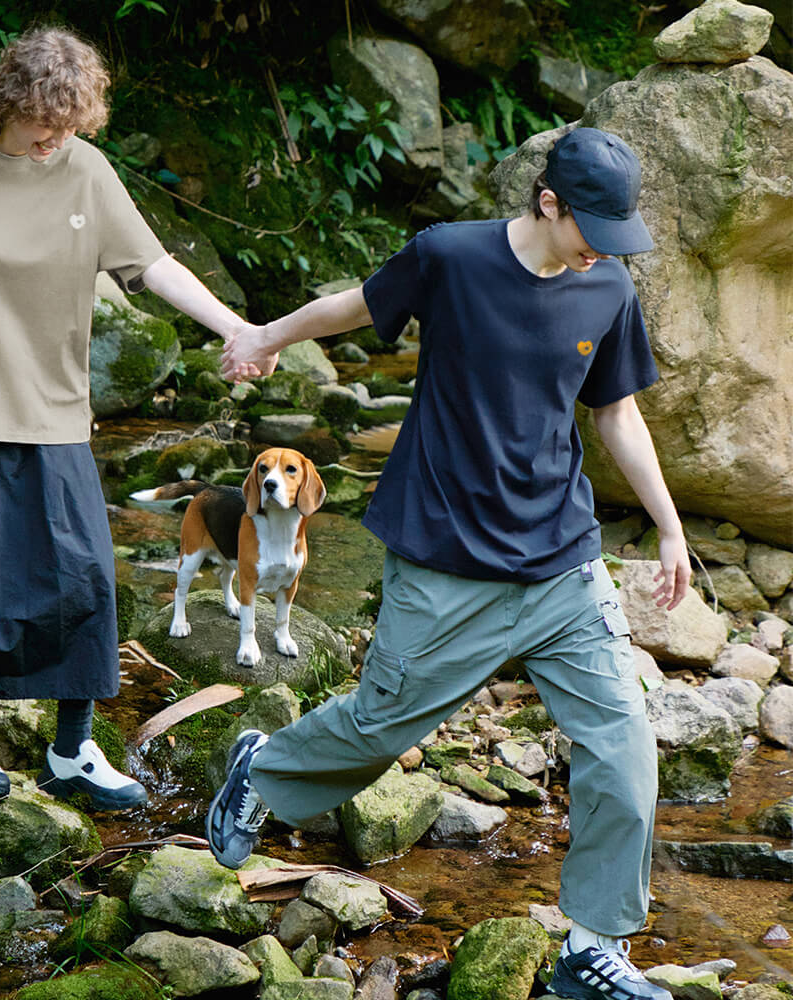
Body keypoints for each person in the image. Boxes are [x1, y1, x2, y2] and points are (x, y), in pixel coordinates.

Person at [208, 128, 690, 1000]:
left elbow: (614, 412)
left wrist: (669, 528)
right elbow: (351, 306)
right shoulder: (450, 258)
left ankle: (593, 949)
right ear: (549, 203)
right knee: (381, 726)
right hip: (443, 558)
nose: (604, 256)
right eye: (593, 233)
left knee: (623, 747)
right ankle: (265, 770)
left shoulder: (608, 285)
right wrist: (263, 336)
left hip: (561, 563)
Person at [0, 27, 256, 811]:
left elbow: (153, 265)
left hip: (55, 407)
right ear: (9, 104)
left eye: (70, 127)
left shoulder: (86, 170)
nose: (55, 142)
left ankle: (72, 749)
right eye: (45, 126)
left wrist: (235, 327)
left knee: (81, 579)